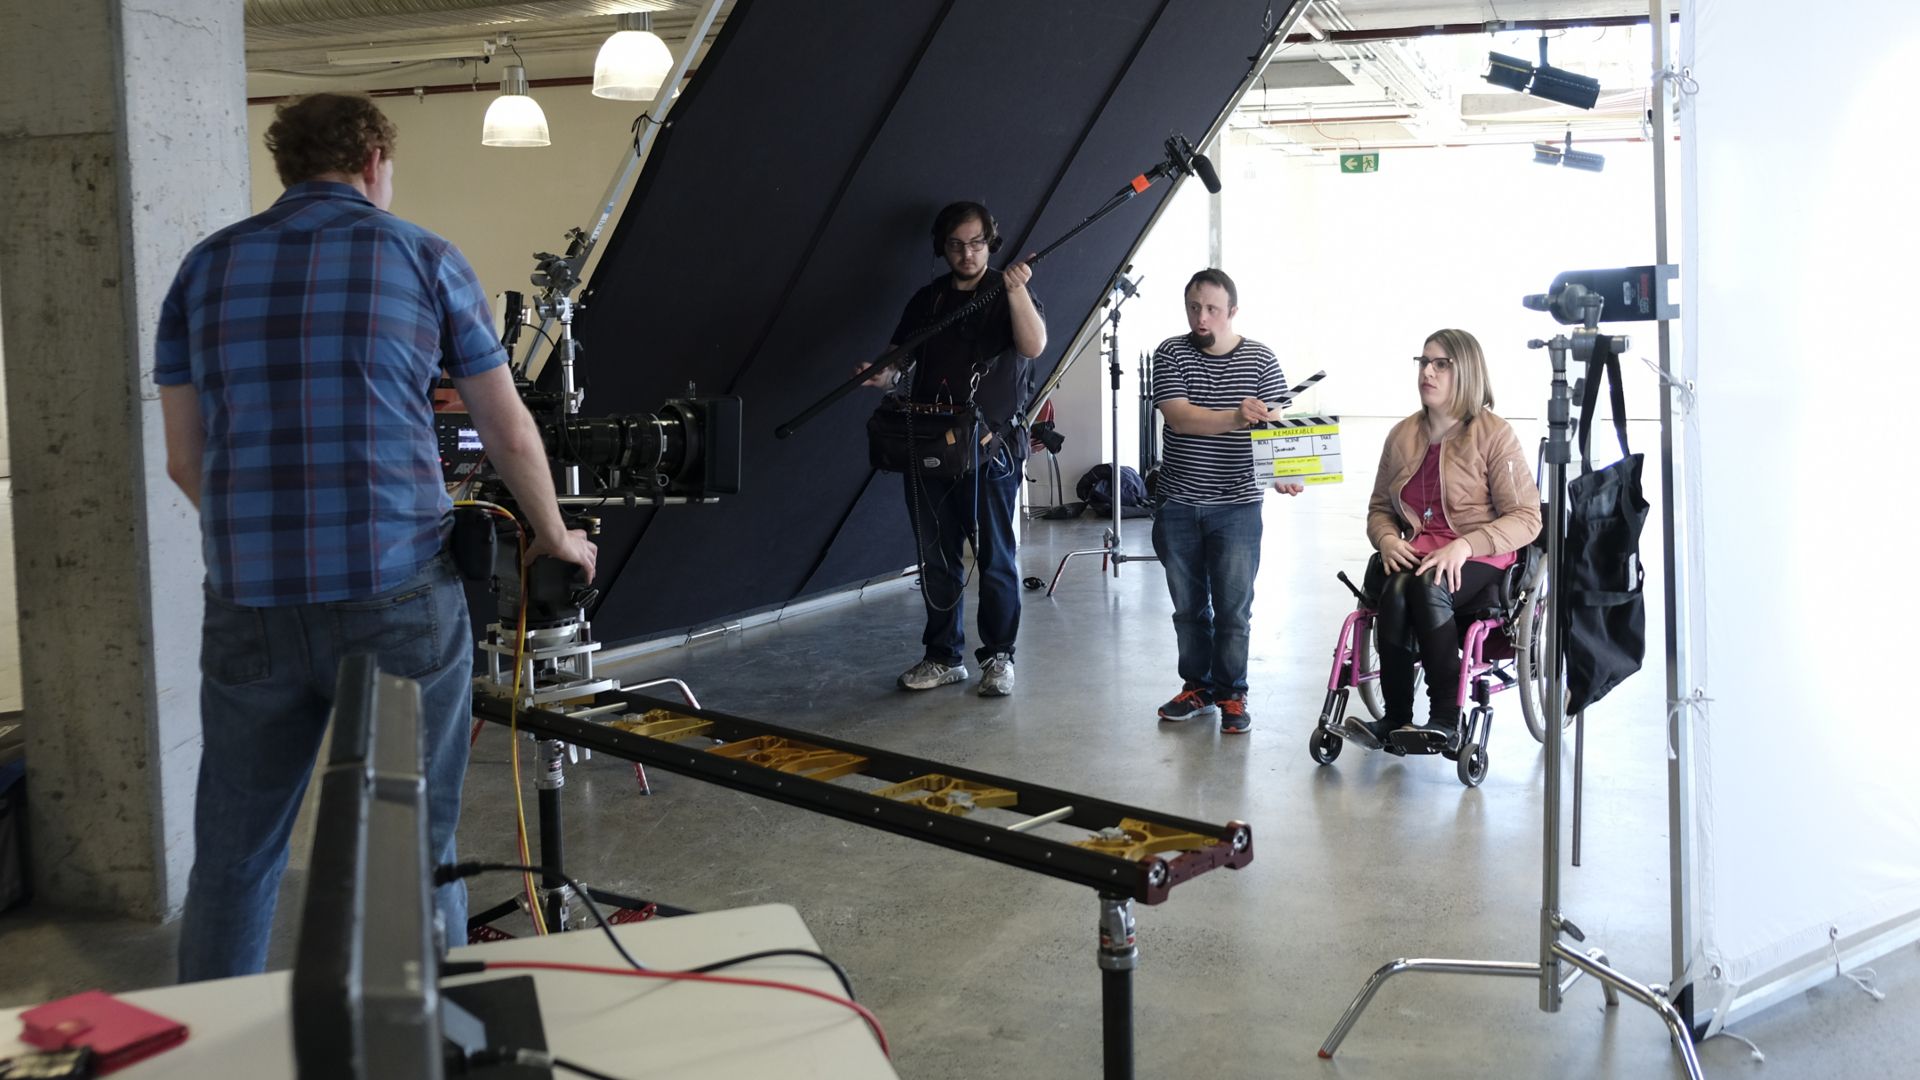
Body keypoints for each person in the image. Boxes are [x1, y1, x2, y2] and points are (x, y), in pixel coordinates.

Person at [155, 92, 595, 981]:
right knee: (410, 845)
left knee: (236, 859)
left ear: (288, 166)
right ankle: (418, 1041)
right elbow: (507, 427)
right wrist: (555, 535)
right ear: (372, 162)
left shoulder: (204, 268)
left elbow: (182, 459)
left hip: (249, 605)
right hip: (396, 597)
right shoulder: (424, 256)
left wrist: (261, 544)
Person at [872, 201, 1045, 697]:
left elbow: (1033, 346)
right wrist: (882, 374)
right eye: (955, 244)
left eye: (975, 243)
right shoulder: (927, 300)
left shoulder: (1009, 291)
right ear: (942, 247)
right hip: (929, 443)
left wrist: (1016, 292)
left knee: (994, 556)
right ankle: (943, 655)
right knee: (936, 555)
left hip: (991, 447)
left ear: (990, 242)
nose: (966, 253)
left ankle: (999, 657)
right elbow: (898, 357)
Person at [1346, 328, 1541, 748]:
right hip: (1420, 553)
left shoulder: (1494, 434)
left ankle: (1446, 719)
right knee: (1396, 588)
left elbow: (1527, 517)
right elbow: (1380, 508)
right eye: (1423, 362)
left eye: (1440, 364)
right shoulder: (1402, 436)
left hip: (1483, 556)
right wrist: (1386, 540)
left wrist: (1466, 544)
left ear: (1466, 372)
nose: (1427, 372)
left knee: (1426, 585)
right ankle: (1395, 720)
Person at [1149, 269, 1302, 735]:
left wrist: (1283, 473)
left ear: (1232, 311)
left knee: (1234, 608)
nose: (1201, 316)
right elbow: (1180, 418)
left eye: (1212, 308)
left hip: (1237, 504)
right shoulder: (1170, 353)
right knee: (1187, 607)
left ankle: (1232, 692)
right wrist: (1236, 416)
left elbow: (1275, 428)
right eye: (1193, 307)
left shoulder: (1260, 359)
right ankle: (1197, 686)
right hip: (1177, 500)